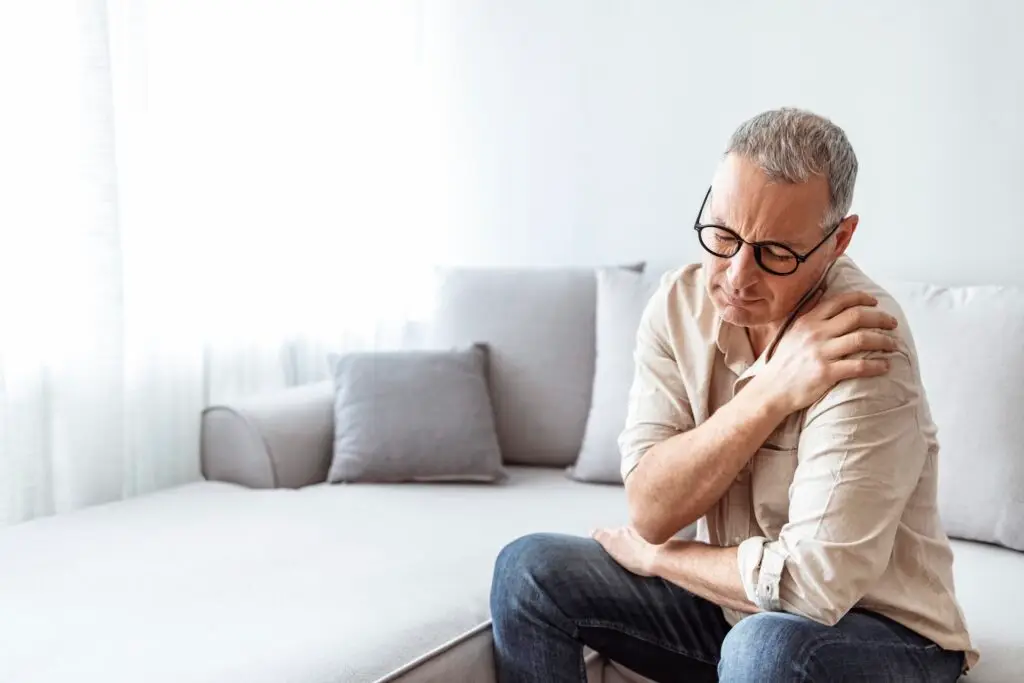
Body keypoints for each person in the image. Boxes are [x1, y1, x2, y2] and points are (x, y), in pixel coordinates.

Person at [489, 108, 978, 682]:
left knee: (766, 651)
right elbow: (650, 510)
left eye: (775, 252)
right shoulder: (679, 306)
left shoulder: (865, 341)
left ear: (838, 240)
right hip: (733, 612)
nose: (736, 276)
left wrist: (665, 558)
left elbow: (812, 586)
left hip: (883, 635)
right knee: (529, 571)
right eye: (722, 235)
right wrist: (768, 394)